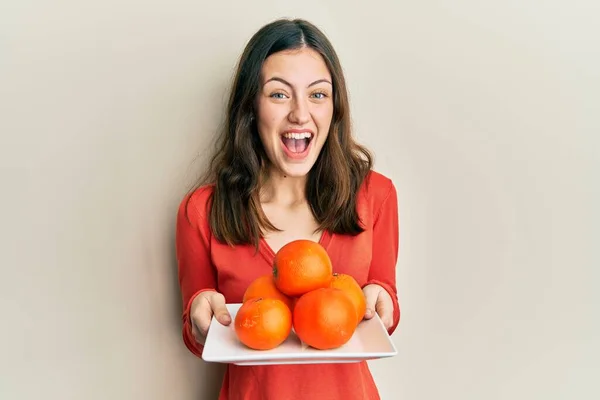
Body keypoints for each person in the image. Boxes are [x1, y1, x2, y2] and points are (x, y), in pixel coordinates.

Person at [175, 18, 400, 400]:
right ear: (250, 107)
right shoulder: (201, 211)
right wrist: (199, 315)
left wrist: (383, 300)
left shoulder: (376, 196)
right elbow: (198, 339)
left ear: (334, 108)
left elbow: (385, 311)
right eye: (279, 95)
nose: (299, 113)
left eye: (318, 94)